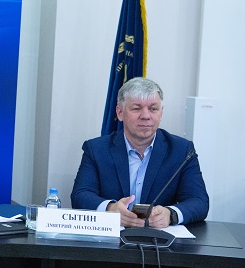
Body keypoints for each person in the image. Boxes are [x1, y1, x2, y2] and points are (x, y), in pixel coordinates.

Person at [71, 77, 209, 228]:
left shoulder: (181, 151)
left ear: (161, 113)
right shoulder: (97, 149)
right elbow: (80, 195)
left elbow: (199, 201)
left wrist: (171, 214)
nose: (146, 116)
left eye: (153, 109)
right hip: (112, 237)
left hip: (159, 239)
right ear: (120, 113)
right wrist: (111, 209)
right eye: (136, 109)